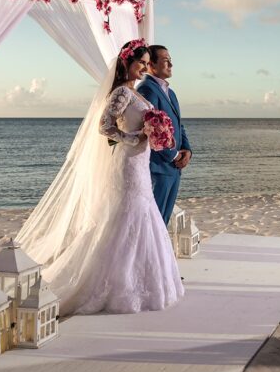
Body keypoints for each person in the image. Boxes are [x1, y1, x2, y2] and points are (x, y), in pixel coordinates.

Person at [41, 39, 184, 315]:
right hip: (128, 163)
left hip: (141, 162)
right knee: (127, 215)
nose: (143, 68)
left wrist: (155, 136)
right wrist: (132, 138)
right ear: (126, 63)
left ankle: (145, 281)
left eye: (145, 63)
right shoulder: (121, 93)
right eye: (139, 62)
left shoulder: (137, 93)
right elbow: (104, 125)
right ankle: (117, 284)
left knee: (144, 215)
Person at [138, 44, 192, 225]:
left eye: (171, 61)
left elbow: (178, 124)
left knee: (164, 220)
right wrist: (174, 155)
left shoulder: (171, 93)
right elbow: (151, 130)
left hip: (174, 168)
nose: (171, 65)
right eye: (166, 61)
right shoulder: (146, 89)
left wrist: (187, 150)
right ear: (151, 64)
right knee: (155, 220)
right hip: (160, 167)